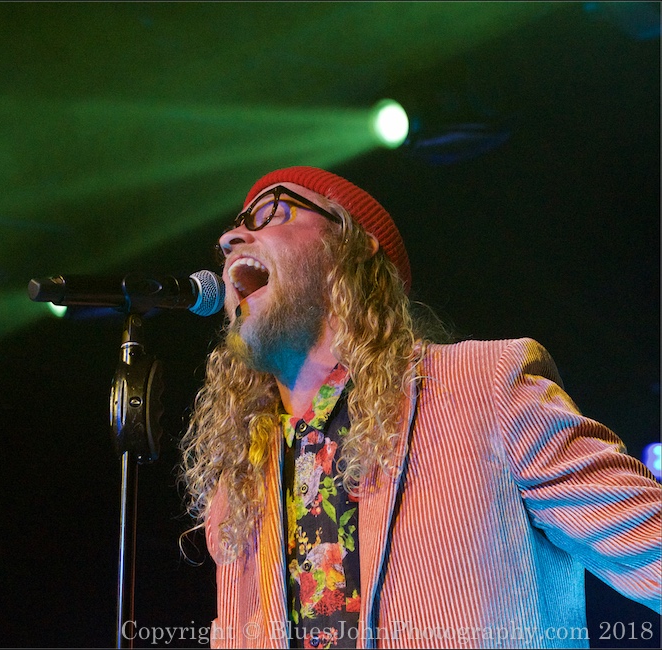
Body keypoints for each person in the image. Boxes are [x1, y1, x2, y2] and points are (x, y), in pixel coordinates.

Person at [179, 166, 661, 649]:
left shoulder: (481, 387)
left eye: (273, 213)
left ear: (352, 244)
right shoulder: (238, 488)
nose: (230, 238)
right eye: (238, 223)